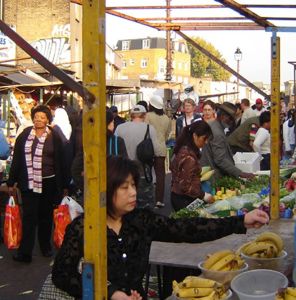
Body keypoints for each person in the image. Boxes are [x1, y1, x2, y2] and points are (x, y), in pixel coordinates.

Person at [52, 155, 269, 300]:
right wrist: (111, 293)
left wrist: (240, 221)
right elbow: (62, 274)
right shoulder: (84, 227)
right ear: (107, 190)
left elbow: (188, 228)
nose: (134, 193)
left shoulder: (141, 220)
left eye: (134, 186)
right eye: (125, 187)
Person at [7, 105, 69, 263]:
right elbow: (17, 159)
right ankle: (25, 253)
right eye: (36, 116)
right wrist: (11, 181)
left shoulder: (55, 136)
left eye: (42, 117)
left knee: (46, 217)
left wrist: (65, 185)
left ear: (48, 119)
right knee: (28, 217)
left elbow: (63, 160)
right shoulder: (24, 135)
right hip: (28, 183)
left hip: (49, 182)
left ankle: (45, 247)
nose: (38, 120)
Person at [115, 105, 157, 208]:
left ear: (131, 115)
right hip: (143, 171)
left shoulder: (120, 128)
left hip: (124, 170)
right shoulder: (149, 128)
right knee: (145, 205)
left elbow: (115, 147)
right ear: (144, 115)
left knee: (126, 204)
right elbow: (155, 150)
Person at [200, 102, 254, 180]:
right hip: (213, 176)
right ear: (223, 116)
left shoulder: (214, 126)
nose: (231, 122)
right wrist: (240, 173)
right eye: (230, 119)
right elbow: (220, 160)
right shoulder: (217, 132)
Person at [171, 121, 214, 211]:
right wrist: (204, 195)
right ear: (195, 136)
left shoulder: (184, 149)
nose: (206, 142)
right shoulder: (189, 157)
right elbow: (185, 186)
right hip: (184, 199)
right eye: (204, 138)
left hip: (177, 196)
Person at [145, 95, 171, 209]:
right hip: (161, 149)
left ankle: (147, 198)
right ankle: (159, 200)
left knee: (147, 173)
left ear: (151, 105)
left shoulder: (148, 116)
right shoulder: (167, 118)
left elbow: (144, 130)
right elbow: (167, 134)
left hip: (149, 148)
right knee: (161, 175)